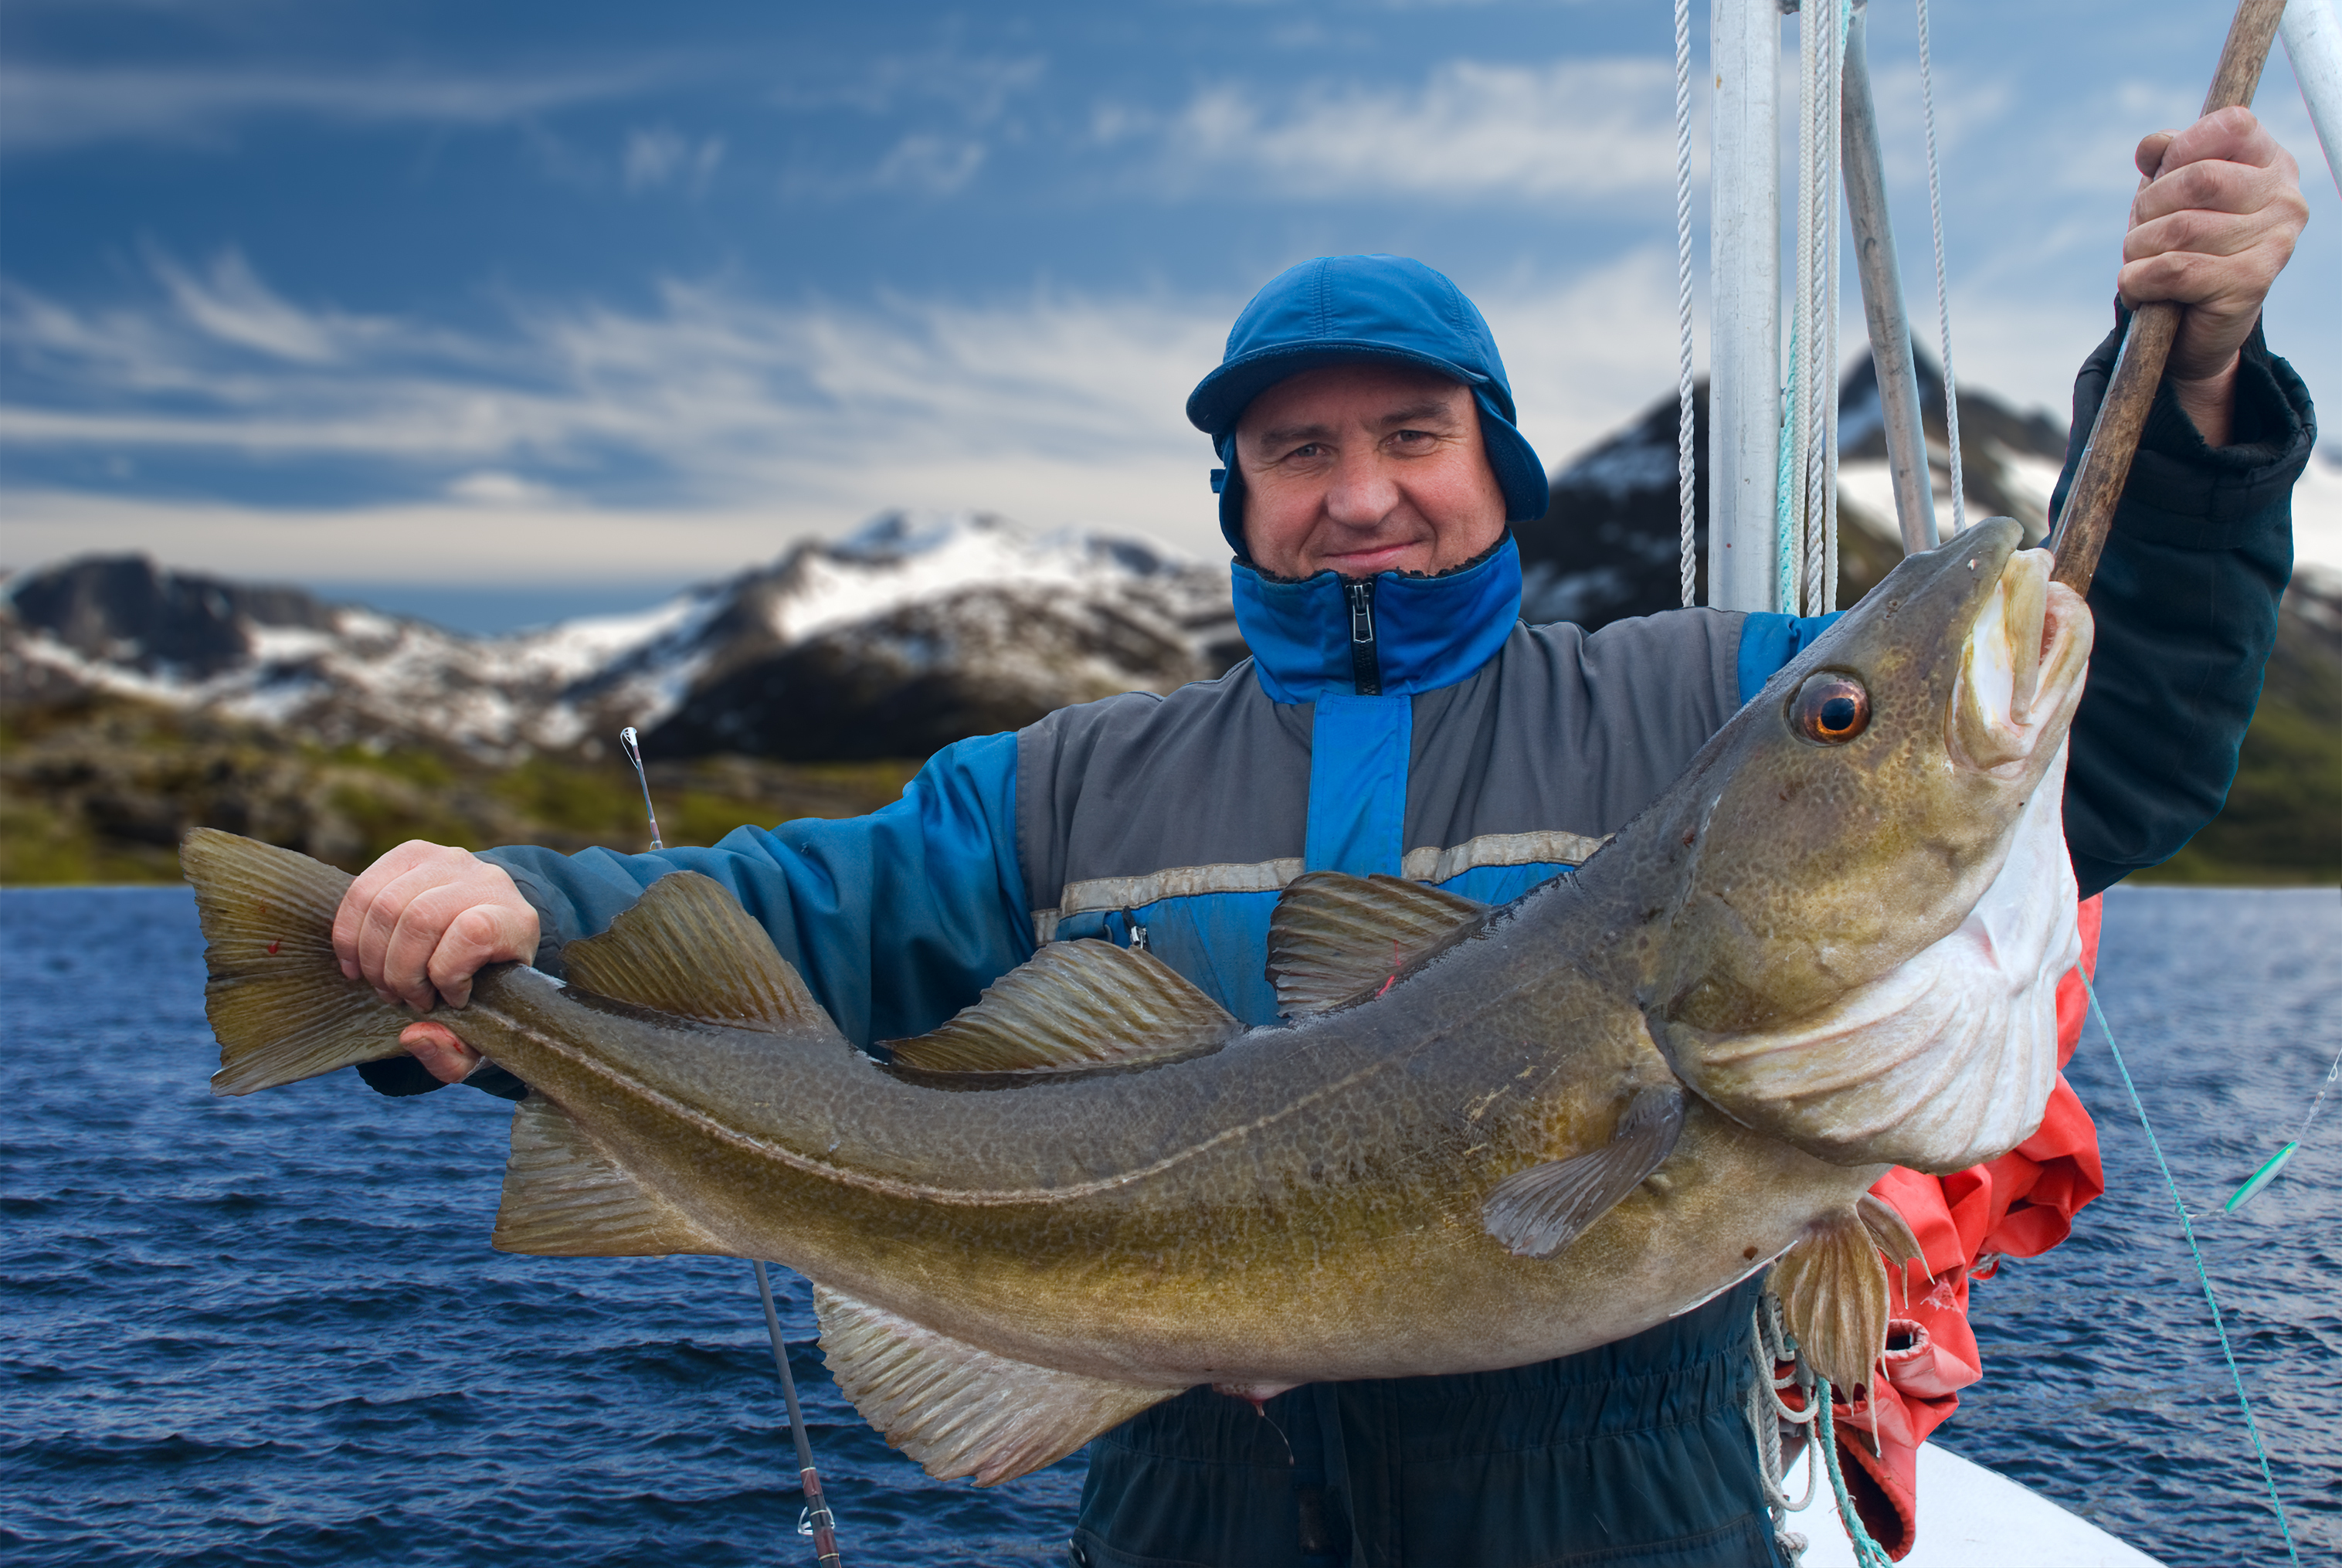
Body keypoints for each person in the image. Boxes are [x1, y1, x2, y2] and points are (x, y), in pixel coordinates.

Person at [333, 109, 2312, 1567]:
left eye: (1411, 439)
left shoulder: (1703, 702)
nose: (1359, 494)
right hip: (1189, 1513)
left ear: (1497, 469)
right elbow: (804, 908)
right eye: (1297, 450)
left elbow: (2099, 755)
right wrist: (524, 919)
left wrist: (2198, 381)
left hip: (1608, 1514)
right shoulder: (1072, 780)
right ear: (1237, 497)